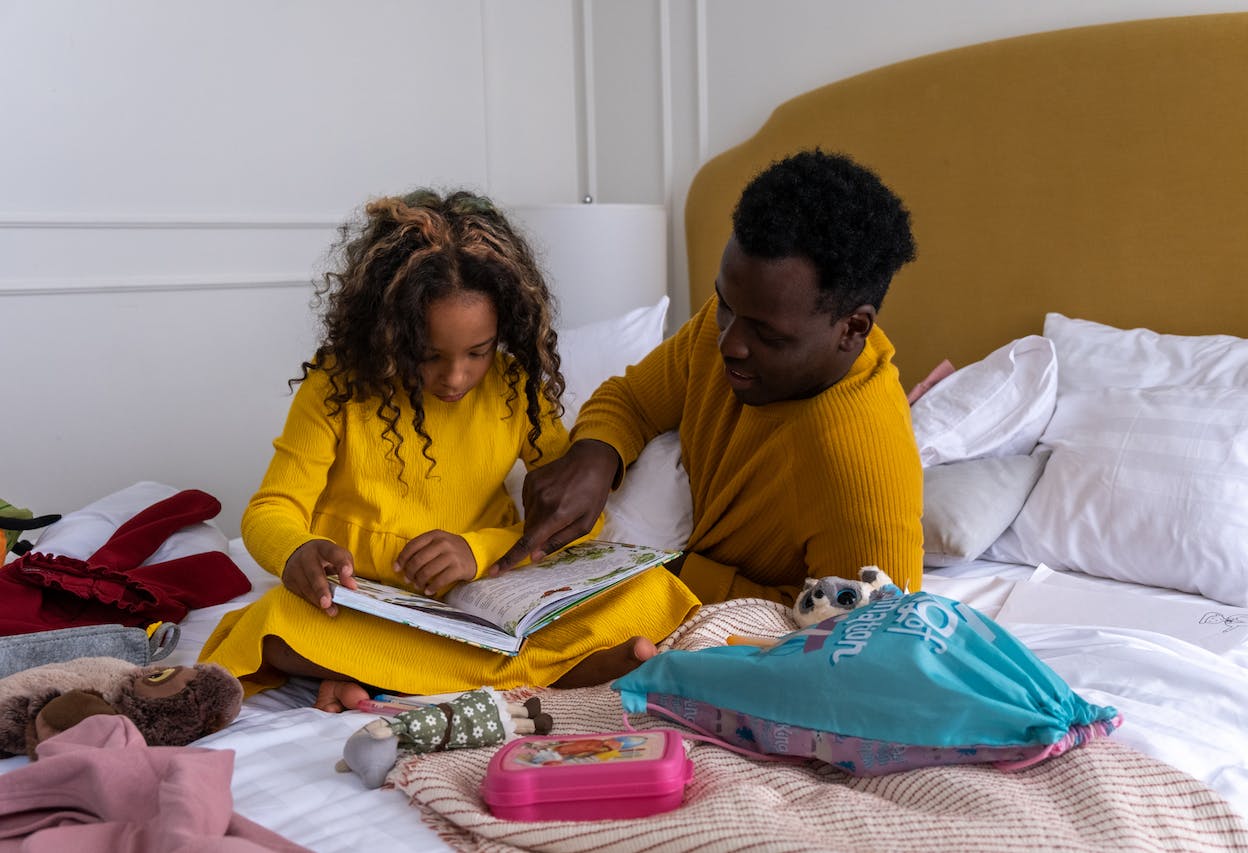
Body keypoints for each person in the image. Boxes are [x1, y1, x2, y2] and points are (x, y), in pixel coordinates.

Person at [199, 189, 699, 711]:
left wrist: (476, 551)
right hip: (370, 608)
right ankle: (551, 671)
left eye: (478, 352)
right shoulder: (337, 387)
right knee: (274, 624)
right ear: (389, 332)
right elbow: (270, 509)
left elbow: (575, 517)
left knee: (652, 592)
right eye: (429, 355)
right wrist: (296, 552)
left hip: (481, 602)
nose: (456, 377)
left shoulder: (516, 389)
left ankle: (404, 679)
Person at [496, 149, 924, 605]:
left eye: (767, 334)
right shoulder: (737, 323)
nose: (730, 344)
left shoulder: (861, 470)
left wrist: (663, 567)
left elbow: (862, 641)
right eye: (724, 304)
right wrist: (594, 458)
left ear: (853, 329)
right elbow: (632, 400)